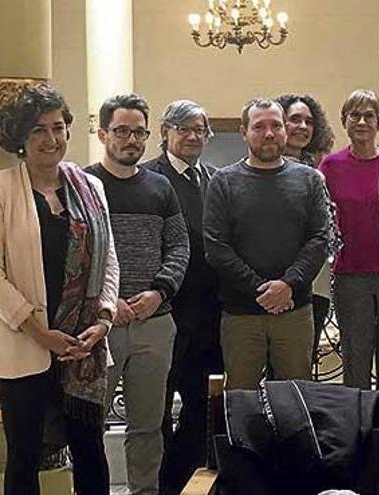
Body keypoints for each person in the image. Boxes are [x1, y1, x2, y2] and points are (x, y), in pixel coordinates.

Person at [0, 85, 118, 495]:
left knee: (91, 450)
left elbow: (109, 260)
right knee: (24, 455)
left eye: (58, 128)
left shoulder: (91, 188)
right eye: (38, 130)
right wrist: (39, 333)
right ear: (19, 137)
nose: (51, 139)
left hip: (81, 346)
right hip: (22, 344)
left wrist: (103, 320)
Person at [86, 94, 190, 495]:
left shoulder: (161, 188)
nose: (131, 139)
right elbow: (77, 254)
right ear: (102, 133)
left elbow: (179, 246)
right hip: (100, 326)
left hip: (154, 323)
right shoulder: (83, 185)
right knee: (89, 423)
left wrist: (158, 291)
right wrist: (109, 305)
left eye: (139, 132)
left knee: (148, 425)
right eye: (122, 131)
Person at [203, 98, 329, 391]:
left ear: (285, 130)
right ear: (244, 131)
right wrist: (262, 290)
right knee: (241, 401)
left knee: (296, 401)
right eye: (259, 126)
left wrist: (287, 286)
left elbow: (319, 238)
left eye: (275, 125)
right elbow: (216, 247)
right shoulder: (223, 182)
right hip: (241, 313)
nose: (269, 133)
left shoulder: (309, 180)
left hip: (295, 311)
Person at [141, 99, 223, 495]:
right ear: (165, 133)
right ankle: (162, 484)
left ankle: (186, 481)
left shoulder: (213, 179)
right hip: (164, 313)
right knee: (156, 410)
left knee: (199, 408)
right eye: (184, 128)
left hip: (208, 318)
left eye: (199, 129)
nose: (193, 136)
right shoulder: (149, 179)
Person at [319, 89, 379, 391]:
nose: (362, 121)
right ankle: (356, 432)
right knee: (356, 360)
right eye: (355, 115)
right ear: (345, 121)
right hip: (350, 275)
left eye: (369, 115)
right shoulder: (330, 167)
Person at [274, 93, 337, 363]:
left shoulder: (318, 171)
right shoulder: (263, 169)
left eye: (309, 121)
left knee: (302, 364)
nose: (302, 126)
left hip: (316, 283)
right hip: (276, 283)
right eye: (294, 120)